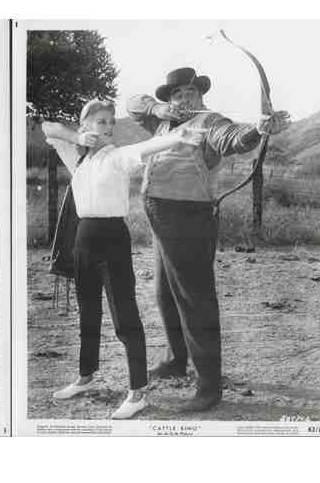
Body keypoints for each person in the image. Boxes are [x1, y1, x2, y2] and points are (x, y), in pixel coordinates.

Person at [123, 67, 290, 412]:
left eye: (191, 93)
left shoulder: (209, 121)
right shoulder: (162, 123)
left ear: (201, 96)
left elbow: (232, 136)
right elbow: (132, 104)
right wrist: (158, 110)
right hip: (160, 215)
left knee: (194, 299)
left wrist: (257, 129)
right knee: (165, 293)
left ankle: (209, 387)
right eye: (177, 95)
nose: (185, 99)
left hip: (188, 217)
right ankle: (175, 360)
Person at [42, 99, 205, 419]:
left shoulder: (117, 157)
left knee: (124, 318)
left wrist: (179, 138)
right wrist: (76, 139)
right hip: (82, 242)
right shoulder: (75, 157)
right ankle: (85, 377)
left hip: (112, 240)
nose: (108, 127)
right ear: (85, 125)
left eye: (111, 122)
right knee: (88, 315)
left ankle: (137, 392)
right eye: (101, 122)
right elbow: (48, 128)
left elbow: (148, 146)